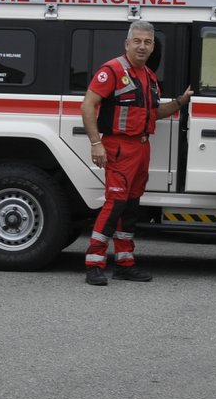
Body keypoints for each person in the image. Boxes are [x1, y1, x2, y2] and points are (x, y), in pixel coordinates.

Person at [80, 20, 192, 286]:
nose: (142, 46)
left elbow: (153, 113)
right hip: (119, 148)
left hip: (141, 148)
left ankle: (125, 263)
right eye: (138, 41)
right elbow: (88, 105)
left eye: (148, 42)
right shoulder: (112, 70)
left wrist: (179, 102)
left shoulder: (148, 76)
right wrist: (96, 143)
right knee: (115, 204)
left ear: (153, 46)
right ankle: (93, 263)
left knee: (131, 208)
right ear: (127, 43)